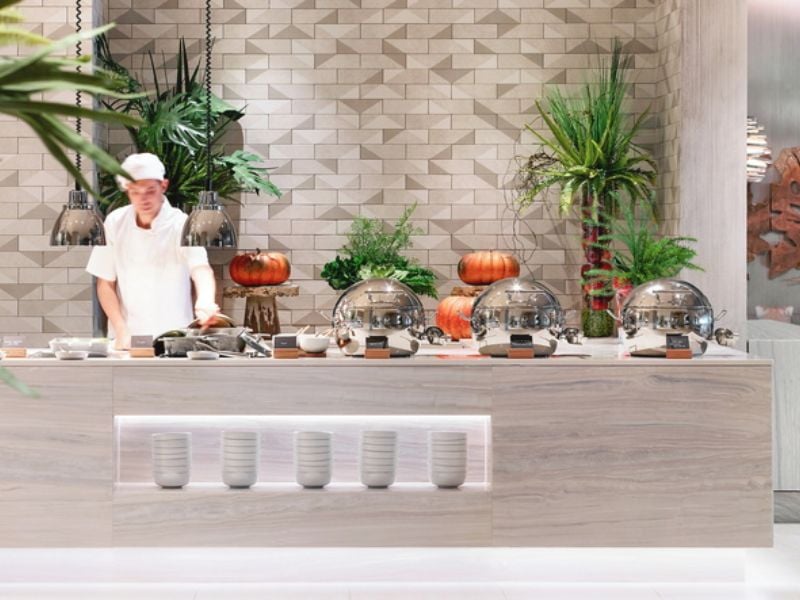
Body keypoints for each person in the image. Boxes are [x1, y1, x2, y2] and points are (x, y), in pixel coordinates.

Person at [86, 153, 220, 349]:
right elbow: (105, 282)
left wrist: (205, 300)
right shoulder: (115, 222)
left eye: (150, 191)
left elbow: (200, 268)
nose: (144, 199)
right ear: (127, 190)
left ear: (163, 186)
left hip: (175, 334)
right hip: (127, 336)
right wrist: (121, 329)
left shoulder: (180, 223)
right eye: (135, 192)